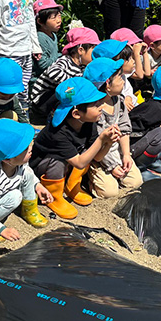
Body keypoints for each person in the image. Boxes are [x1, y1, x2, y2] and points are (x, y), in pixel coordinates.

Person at [31, 77, 120, 219]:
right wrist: (101, 139)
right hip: (43, 170)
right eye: (95, 105)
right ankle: (54, 196)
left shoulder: (88, 123)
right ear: (76, 113)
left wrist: (108, 143)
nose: (101, 107)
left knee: (87, 152)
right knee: (58, 161)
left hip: (70, 163)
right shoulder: (58, 133)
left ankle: (72, 185)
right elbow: (79, 162)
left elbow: (96, 157)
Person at [84, 58, 143, 198]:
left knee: (135, 181)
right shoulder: (94, 111)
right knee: (109, 192)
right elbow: (97, 144)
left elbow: (124, 128)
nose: (124, 81)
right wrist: (111, 166)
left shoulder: (118, 100)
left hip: (116, 151)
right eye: (120, 77)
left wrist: (126, 155)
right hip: (98, 157)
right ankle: (89, 179)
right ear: (107, 85)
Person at [31, 26, 99, 118]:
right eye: (93, 50)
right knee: (67, 92)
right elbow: (52, 72)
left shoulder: (83, 67)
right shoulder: (65, 61)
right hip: (42, 101)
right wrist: (73, 83)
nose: (95, 54)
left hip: (58, 99)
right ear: (81, 50)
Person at [32, 0, 64, 98]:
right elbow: (43, 64)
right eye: (53, 18)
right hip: (39, 83)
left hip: (49, 78)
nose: (59, 21)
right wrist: (60, 58)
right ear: (40, 21)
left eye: (59, 16)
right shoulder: (40, 37)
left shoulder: (53, 35)